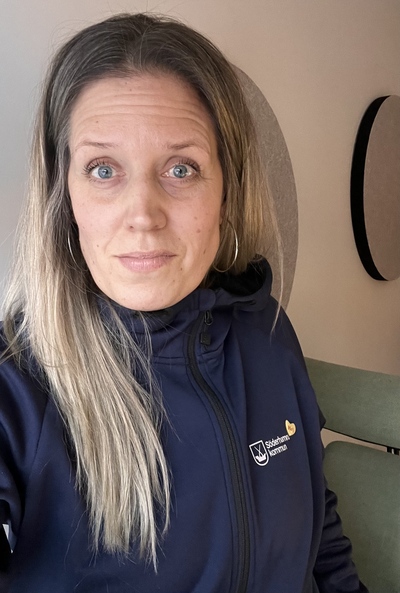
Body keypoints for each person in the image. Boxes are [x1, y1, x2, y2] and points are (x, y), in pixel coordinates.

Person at [0, 12, 367, 593]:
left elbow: (321, 537)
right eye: (103, 169)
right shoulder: (17, 382)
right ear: (63, 197)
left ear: (226, 189)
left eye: (180, 168)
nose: (143, 215)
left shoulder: (268, 332)